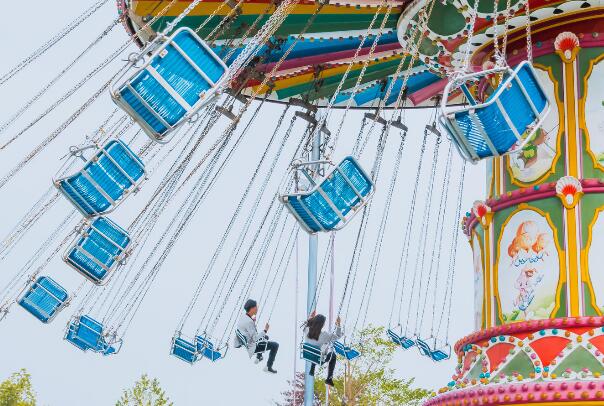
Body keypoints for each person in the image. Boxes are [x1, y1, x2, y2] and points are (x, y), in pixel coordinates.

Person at [234, 299, 279, 373]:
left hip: (244, 341)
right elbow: (255, 338)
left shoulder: (243, 317)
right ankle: (268, 367)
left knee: (266, 337)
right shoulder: (249, 322)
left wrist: (252, 322)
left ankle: (259, 357)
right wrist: (265, 330)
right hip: (252, 346)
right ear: (251, 308)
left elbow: (246, 327)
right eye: (256, 307)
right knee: (275, 345)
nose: (257, 308)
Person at [304, 310, 343, 386]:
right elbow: (338, 336)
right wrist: (338, 325)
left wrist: (311, 317)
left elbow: (307, 323)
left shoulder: (306, 330)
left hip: (308, 355)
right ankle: (329, 378)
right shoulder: (325, 335)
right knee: (333, 355)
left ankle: (312, 368)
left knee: (316, 348)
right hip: (318, 358)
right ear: (322, 324)